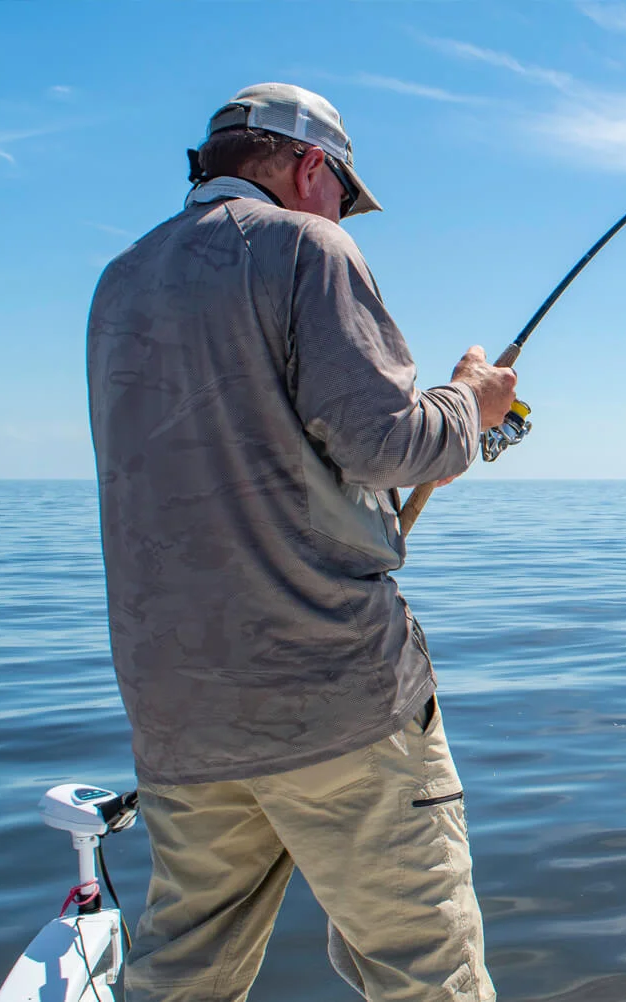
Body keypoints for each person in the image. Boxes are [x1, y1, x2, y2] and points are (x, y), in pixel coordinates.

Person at [86, 83, 514, 1002]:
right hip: (334, 699)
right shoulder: (307, 246)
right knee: (425, 973)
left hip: (180, 719)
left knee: (179, 978)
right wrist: (469, 406)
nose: (345, 214)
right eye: (345, 193)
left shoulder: (120, 279)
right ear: (311, 166)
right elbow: (389, 443)